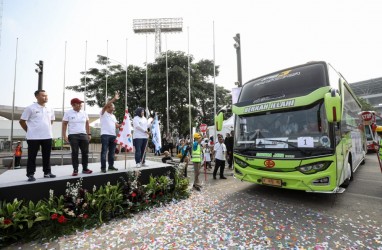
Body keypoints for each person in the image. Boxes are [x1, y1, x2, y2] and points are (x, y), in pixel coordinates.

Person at [19, 90, 56, 182]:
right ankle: (30, 174)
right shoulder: (30, 108)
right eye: (43, 95)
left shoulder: (50, 108)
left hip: (47, 136)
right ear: (37, 97)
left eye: (46, 95)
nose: (45, 97)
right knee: (32, 156)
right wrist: (29, 131)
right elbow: (22, 121)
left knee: (47, 156)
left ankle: (47, 172)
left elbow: (51, 121)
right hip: (33, 137)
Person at [62, 98, 93, 176]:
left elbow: (87, 123)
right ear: (73, 105)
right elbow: (64, 124)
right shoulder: (68, 113)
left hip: (83, 135)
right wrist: (64, 135)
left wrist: (88, 134)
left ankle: (85, 169)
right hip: (73, 135)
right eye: (78, 104)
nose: (80, 105)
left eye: (81, 104)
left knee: (85, 153)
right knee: (75, 153)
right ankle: (75, 170)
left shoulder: (84, 113)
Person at [100, 92, 121, 173]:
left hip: (113, 135)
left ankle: (111, 166)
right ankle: (103, 167)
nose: (114, 108)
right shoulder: (103, 113)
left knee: (112, 152)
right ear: (108, 107)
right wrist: (114, 99)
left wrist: (124, 124)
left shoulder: (113, 116)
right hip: (105, 135)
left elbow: (116, 125)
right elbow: (106, 105)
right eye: (112, 106)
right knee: (104, 151)